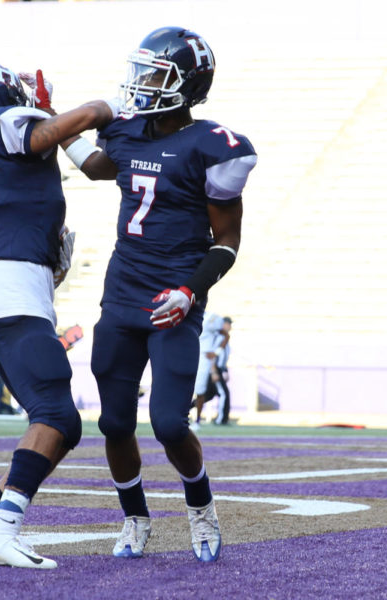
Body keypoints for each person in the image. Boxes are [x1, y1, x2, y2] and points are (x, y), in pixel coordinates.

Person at [73, 27, 256, 562]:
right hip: (122, 290)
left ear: (186, 83)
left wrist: (190, 290)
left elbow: (227, 242)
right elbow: (95, 167)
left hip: (173, 299)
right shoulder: (128, 132)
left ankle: (200, 507)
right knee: (112, 422)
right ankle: (134, 518)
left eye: (155, 73)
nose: (142, 82)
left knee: (171, 422)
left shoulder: (213, 146)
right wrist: (58, 125)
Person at [0, 61, 120, 570]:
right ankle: (2, 531)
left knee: (50, 420)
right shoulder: (6, 125)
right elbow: (66, 135)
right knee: (58, 417)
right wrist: (104, 110)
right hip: (11, 295)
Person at [191, 312, 228, 431]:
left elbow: (226, 335)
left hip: (203, 356)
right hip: (187, 352)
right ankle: (182, 416)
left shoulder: (210, 318)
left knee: (200, 390)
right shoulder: (185, 313)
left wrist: (216, 352)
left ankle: (196, 421)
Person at [207, 316, 233, 425]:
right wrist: (214, 371)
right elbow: (212, 355)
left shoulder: (225, 338)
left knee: (208, 395)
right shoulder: (218, 337)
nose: (229, 326)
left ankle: (188, 408)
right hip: (214, 370)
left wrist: (225, 370)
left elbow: (223, 357)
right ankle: (221, 420)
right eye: (227, 324)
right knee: (223, 394)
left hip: (219, 369)